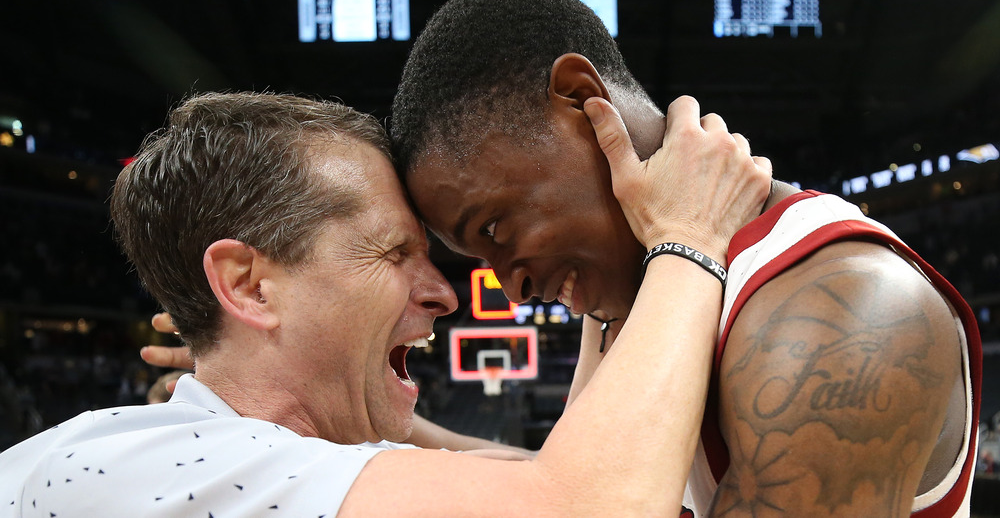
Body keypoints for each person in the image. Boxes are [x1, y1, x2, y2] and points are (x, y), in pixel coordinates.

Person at [0, 91, 771, 515]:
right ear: (248, 286)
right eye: (394, 253)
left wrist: (335, 395)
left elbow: (545, 475)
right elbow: (592, 508)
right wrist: (688, 236)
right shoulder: (130, 464)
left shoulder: (262, 461)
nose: (444, 292)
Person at [388, 0, 982, 517]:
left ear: (580, 101)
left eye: (495, 229)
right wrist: (394, 431)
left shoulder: (846, 310)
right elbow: (571, 488)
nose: (510, 287)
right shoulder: (649, 290)